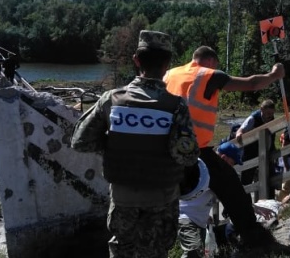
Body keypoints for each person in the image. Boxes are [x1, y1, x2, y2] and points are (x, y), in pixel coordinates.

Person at [71, 30, 199, 258]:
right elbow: (187, 157)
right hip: (162, 200)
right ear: (168, 63)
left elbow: (80, 141)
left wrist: (115, 144)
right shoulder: (176, 106)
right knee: (157, 251)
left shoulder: (111, 100)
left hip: (123, 199)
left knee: (122, 251)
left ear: (136, 60)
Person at [164, 45, 284, 248]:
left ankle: (179, 242)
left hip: (168, 147)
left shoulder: (170, 73)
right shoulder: (208, 74)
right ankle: (253, 237)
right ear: (211, 61)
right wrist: (274, 74)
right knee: (231, 188)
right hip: (196, 149)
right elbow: (252, 84)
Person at [178, 143, 242, 258]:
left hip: (200, 223)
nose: (232, 168)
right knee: (192, 253)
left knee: (198, 254)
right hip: (187, 218)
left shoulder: (209, 170)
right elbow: (229, 197)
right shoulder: (207, 170)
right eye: (232, 163)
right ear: (224, 158)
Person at [234, 100, 277, 191]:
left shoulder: (272, 119)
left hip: (266, 152)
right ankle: (246, 202)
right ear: (261, 109)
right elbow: (241, 130)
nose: (270, 116)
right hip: (251, 152)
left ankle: (269, 199)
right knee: (246, 181)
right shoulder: (253, 118)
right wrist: (239, 135)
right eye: (268, 113)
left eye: (272, 113)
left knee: (270, 179)